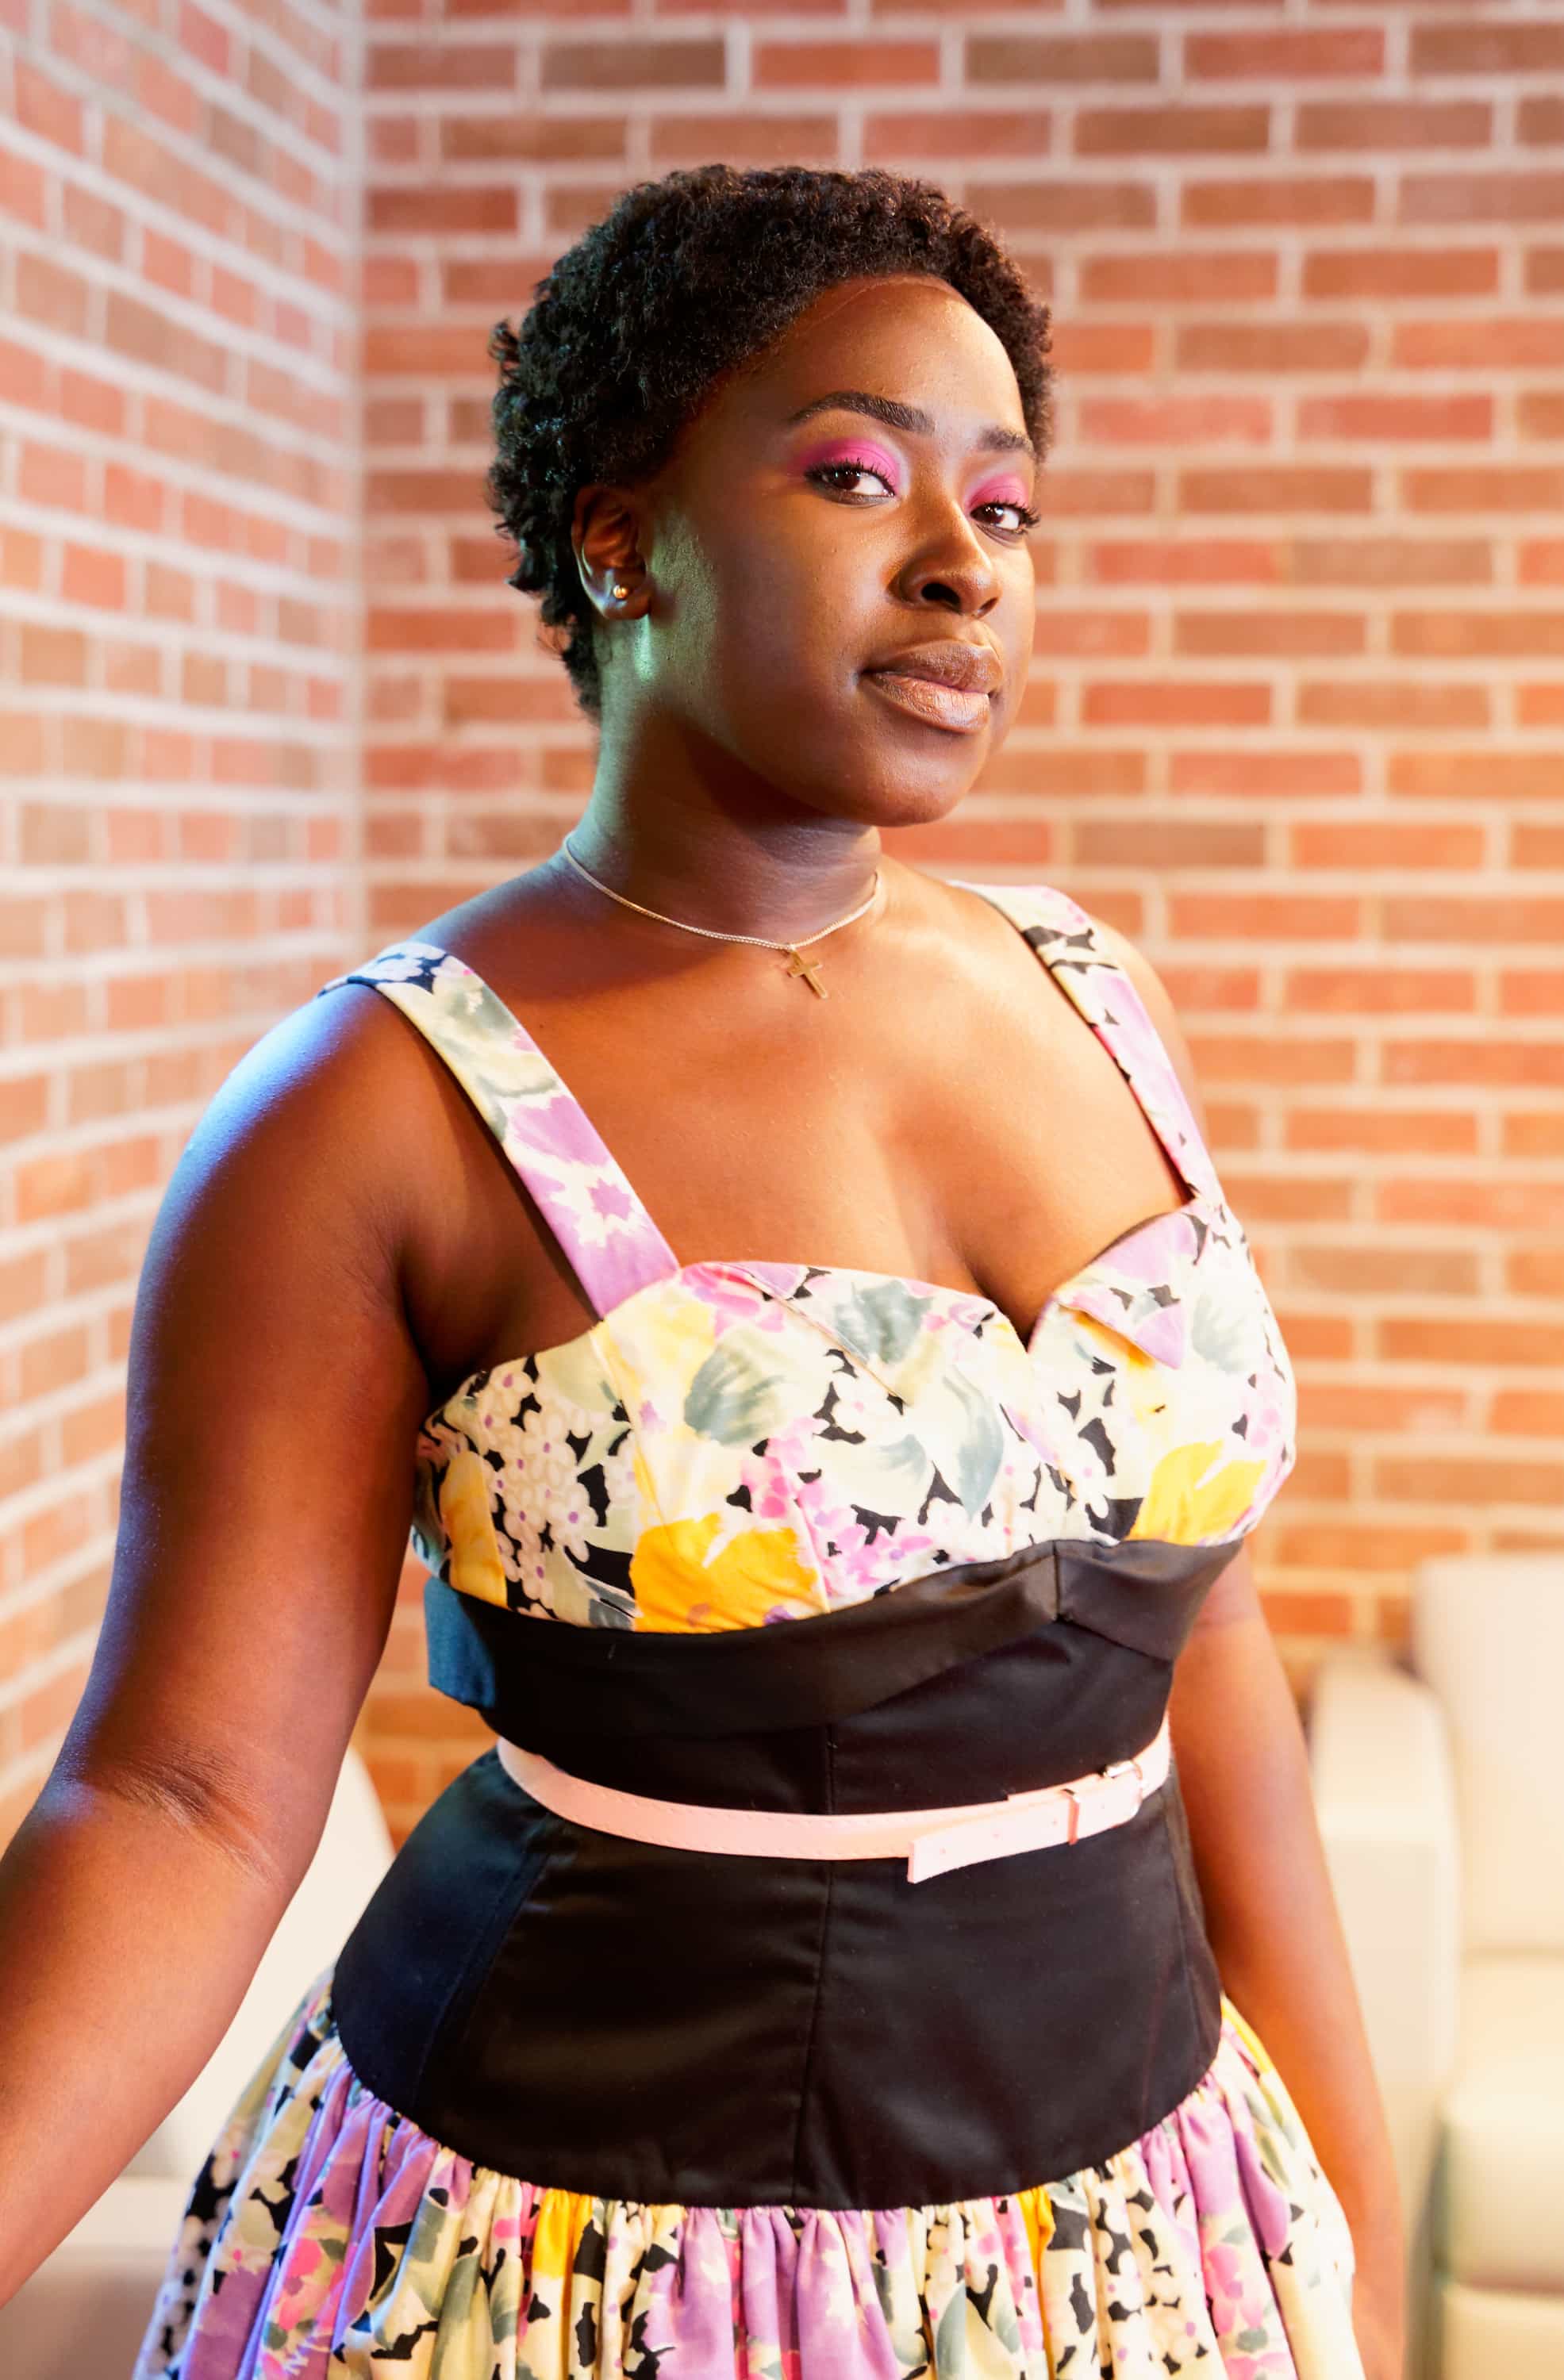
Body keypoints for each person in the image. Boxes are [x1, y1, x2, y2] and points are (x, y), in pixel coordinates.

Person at [0, 163, 1405, 2378]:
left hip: (1144, 2242)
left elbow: (1202, 1640)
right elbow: (181, 1802)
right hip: (581, 2266)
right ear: (621, 537)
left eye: (1007, 508)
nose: (964, 563)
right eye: (857, 476)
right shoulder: (378, 1110)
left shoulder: (1094, 994)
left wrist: (1345, 2228)